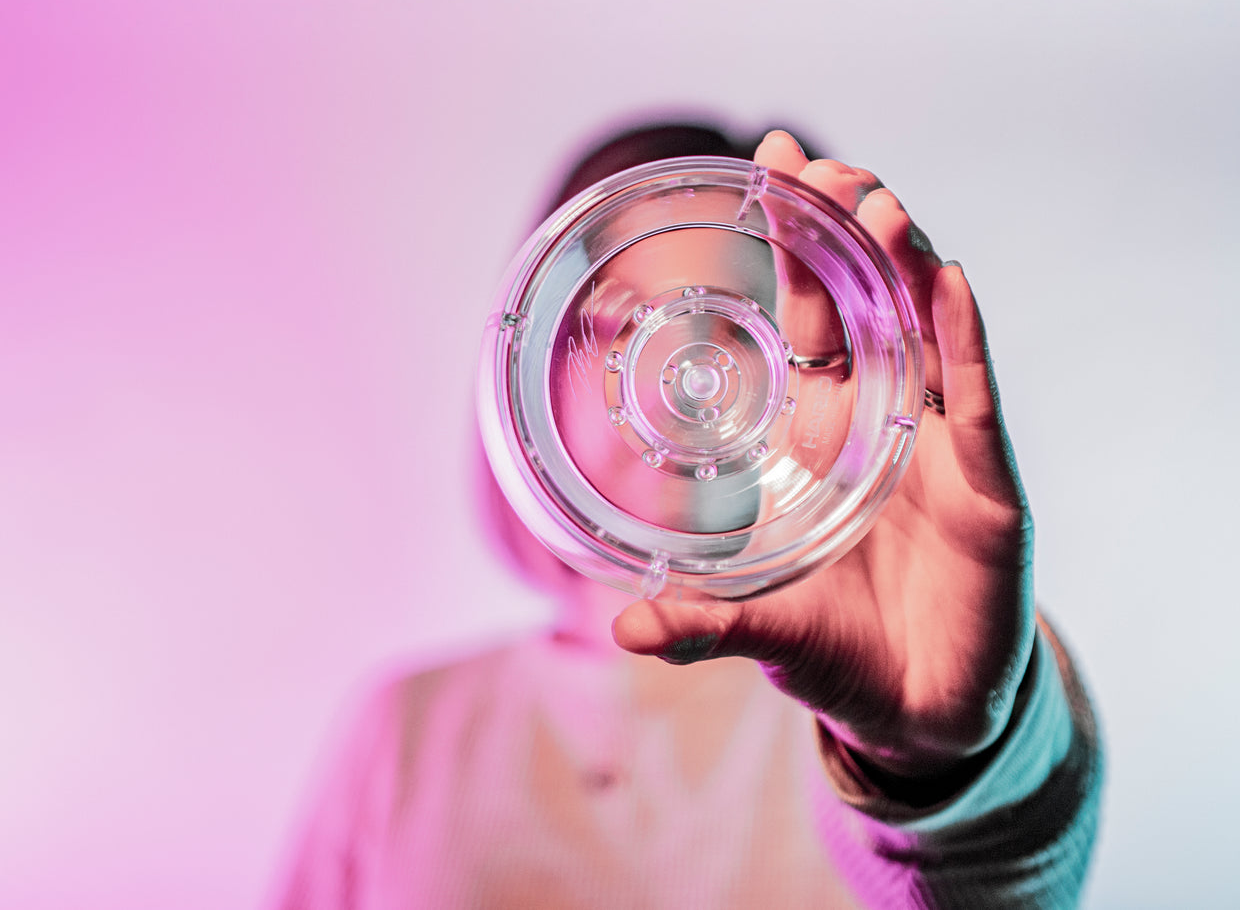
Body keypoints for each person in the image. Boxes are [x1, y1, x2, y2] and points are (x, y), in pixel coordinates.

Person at [276, 122, 1103, 909]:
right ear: (532, 357)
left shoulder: (866, 694)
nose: (683, 374)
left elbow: (1001, 875)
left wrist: (934, 767)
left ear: (827, 370)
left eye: (745, 325)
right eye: (620, 322)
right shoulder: (406, 731)